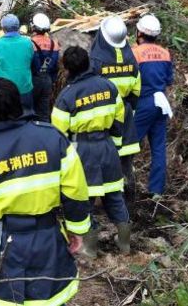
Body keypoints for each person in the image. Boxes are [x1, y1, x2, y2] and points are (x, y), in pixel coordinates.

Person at [0, 77, 91, 306]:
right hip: (47, 239)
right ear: (19, 103)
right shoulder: (53, 139)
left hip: (1, 249)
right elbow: (75, 192)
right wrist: (77, 230)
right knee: (50, 297)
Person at [51, 46, 131, 256]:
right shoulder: (109, 87)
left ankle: (91, 249)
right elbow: (119, 119)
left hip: (81, 151)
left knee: (82, 200)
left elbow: (58, 134)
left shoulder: (66, 97)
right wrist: (115, 145)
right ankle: (125, 244)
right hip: (107, 147)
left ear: (67, 69)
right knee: (114, 196)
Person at [90, 16, 142, 205]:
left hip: (103, 116)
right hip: (126, 116)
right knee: (126, 163)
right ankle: (129, 202)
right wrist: (131, 110)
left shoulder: (96, 60)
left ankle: (102, 203)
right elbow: (136, 89)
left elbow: (90, 88)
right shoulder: (130, 58)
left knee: (101, 162)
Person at [131, 14, 174, 200]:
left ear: (139, 32)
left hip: (143, 101)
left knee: (129, 144)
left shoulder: (134, 53)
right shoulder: (165, 53)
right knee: (158, 147)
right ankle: (156, 190)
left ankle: (122, 184)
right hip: (161, 101)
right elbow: (169, 80)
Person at [0, 14, 35, 116]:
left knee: (6, 118)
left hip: (4, 90)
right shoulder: (27, 43)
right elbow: (31, 61)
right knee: (26, 116)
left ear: (3, 28)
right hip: (25, 87)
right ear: (18, 27)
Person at [29, 13, 60, 121]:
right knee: (44, 112)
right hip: (47, 80)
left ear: (33, 27)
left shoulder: (30, 43)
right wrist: (52, 80)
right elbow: (55, 67)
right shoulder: (54, 44)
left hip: (32, 80)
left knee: (29, 111)